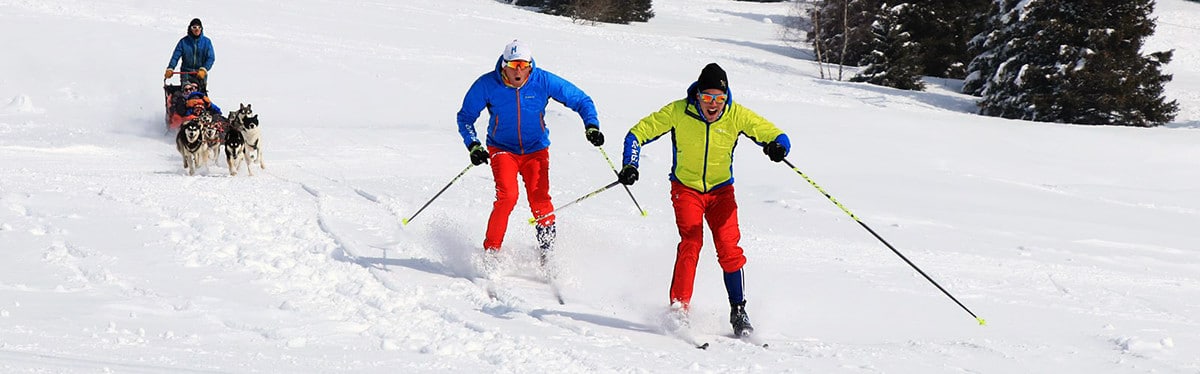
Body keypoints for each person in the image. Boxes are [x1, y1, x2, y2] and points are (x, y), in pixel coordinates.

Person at [617, 63, 790, 337]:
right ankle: (679, 309)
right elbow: (636, 134)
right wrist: (631, 164)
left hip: (721, 192)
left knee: (729, 248)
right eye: (707, 97)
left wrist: (778, 147)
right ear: (697, 95)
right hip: (686, 189)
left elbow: (776, 135)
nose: (713, 104)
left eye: (719, 98)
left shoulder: (736, 115)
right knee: (692, 241)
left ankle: (738, 311)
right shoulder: (678, 111)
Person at [456, 39, 604, 264]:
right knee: (507, 197)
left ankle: (548, 254)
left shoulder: (542, 80)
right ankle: (491, 252)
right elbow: (465, 117)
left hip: (536, 149)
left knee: (540, 199)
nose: (519, 71)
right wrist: (473, 144)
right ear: (504, 65)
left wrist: (591, 125)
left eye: (524, 65)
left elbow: (581, 100)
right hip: (502, 148)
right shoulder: (487, 84)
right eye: (513, 65)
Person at [166, 18, 216, 93]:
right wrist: (170, 68)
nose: (197, 29)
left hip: (200, 74)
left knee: (197, 90)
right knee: (187, 90)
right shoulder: (183, 42)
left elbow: (211, 58)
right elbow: (175, 57)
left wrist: (204, 69)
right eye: (194, 27)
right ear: (190, 29)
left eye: (199, 27)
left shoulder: (207, 42)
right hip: (186, 73)